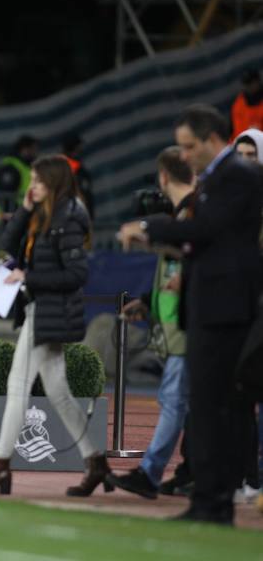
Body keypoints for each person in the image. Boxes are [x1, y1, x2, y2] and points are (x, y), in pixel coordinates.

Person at [118, 104, 263, 524]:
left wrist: (149, 228)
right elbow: (204, 242)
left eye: (188, 147)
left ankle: (214, 502)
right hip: (210, 305)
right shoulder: (221, 178)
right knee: (208, 408)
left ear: (212, 140)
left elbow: (206, 230)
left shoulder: (237, 175)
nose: (183, 156)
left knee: (215, 408)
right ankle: (209, 501)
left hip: (226, 309)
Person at [0, 155, 110, 496]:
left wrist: (28, 277)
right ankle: (96, 462)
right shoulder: (43, 213)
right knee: (58, 392)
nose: (32, 187)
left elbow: (77, 274)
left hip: (48, 313)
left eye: (38, 181)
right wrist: (26, 209)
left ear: (54, 182)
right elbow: (5, 246)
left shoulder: (69, 217)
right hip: (38, 310)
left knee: (18, 385)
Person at [106, 146, 194, 499]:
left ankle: (151, 472)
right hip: (178, 328)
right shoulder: (186, 215)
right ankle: (191, 472)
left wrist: (145, 228)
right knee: (186, 403)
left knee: (174, 400)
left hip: (188, 328)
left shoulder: (192, 213)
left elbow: (189, 260)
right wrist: (148, 302)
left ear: (163, 176)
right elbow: (173, 268)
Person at [0, 134, 39, 224]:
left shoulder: (25, 166)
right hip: (2, 221)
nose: (36, 153)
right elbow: (5, 196)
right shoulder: (11, 167)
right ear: (25, 149)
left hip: (15, 219)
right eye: (34, 149)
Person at [61, 133, 94, 219]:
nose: (81, 149)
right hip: (73, 214)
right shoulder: (65, 164)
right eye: (79, 147)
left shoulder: (76, 164)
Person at [231, 69, 263, 141]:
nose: (250, 87)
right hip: (247, 142)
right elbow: (238, 132)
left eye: (252, 83)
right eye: (247, 84)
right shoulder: (239, 104)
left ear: (258, 82)